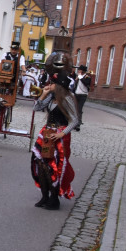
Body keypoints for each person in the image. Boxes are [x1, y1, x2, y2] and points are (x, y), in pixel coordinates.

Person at [32, 52, 80, 211]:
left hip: (59, 137)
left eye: (51, 83)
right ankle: (45, 196)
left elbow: (75, 120)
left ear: (58, 84)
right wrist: (44, 94)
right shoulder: (51, 96)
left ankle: (54, 198)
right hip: (46, 134)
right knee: (40, 163)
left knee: (55, 167)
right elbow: (36, 108)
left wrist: (62, 133)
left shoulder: (66, 98)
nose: (49, 85)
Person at [74, 65, 92, 129]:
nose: (78, 71)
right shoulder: (78, 77)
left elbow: (86, 83)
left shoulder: (87, 77)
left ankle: (78, 123)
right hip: (76, 94)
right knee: (74, 108)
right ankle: (74, 122)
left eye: (79, 70)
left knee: (79, 108)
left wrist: (80, 77)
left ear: (82, 71)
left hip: (83, 95)